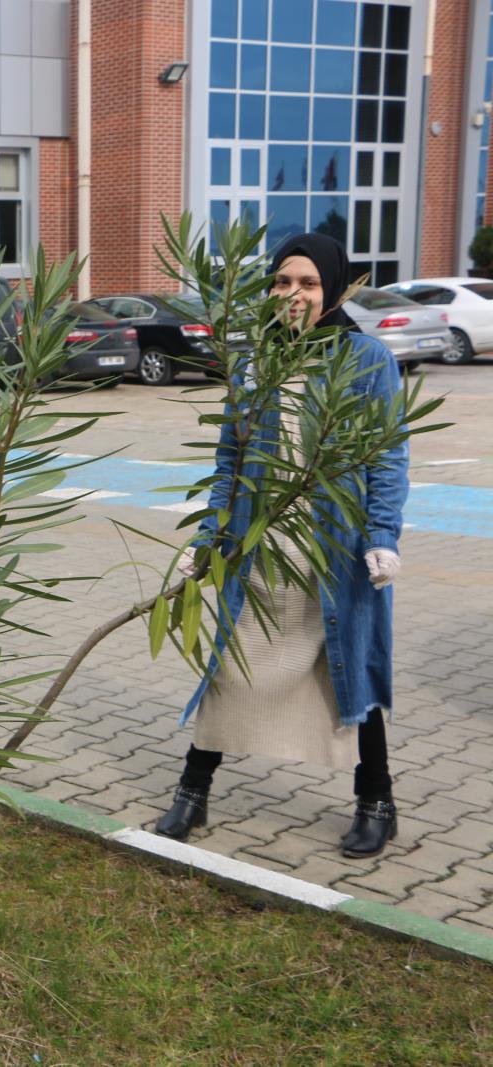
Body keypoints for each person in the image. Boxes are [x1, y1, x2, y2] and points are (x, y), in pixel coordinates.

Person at [154, 232, 408, 859]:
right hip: (260, 544)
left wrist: (382, 537)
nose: (293, 294)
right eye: (282, 282)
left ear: (333, 290)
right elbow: (231, 460)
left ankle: (377, 800)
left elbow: (387, 455)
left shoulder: (367, 359)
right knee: (230, 663)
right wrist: (208, 536)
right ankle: (193, 789)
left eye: (308, 283)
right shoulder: (254, 363)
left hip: (336, 550)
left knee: (349, 666)